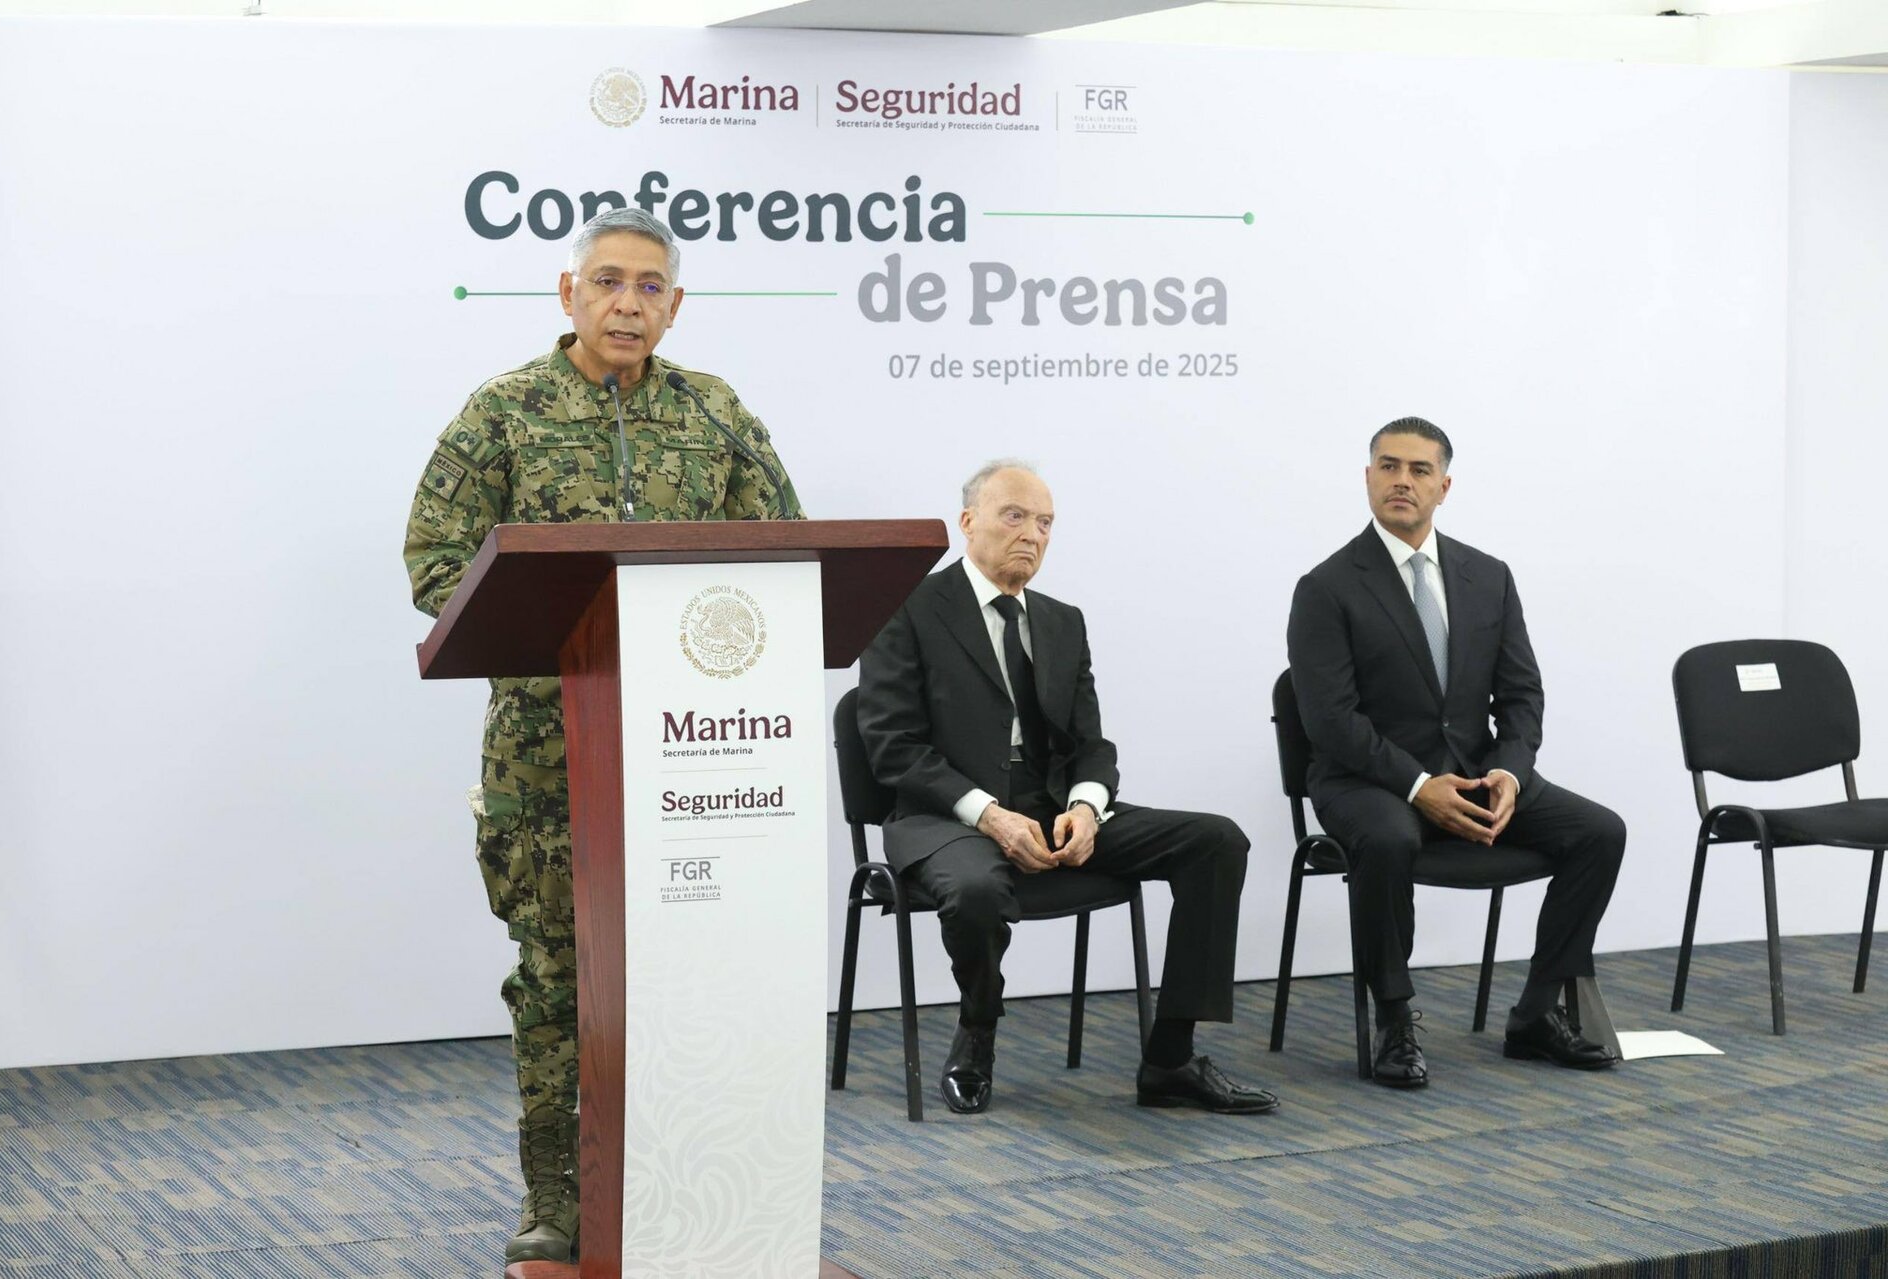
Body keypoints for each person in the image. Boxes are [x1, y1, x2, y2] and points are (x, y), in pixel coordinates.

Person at [402, 208, 801, 1265]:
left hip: (696, 751)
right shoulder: (504, 412)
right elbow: (436, 564)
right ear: (568, 292)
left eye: (650, 287)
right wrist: (556, 628)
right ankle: (554, 1195)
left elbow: (785, 548)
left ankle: (688, 1177)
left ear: (676, 306)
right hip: (548, 756)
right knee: (555, 976)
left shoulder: (714, 414)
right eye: (610, 281)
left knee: (691, 972)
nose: (629, 303)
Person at [857, 460, 1275, 1117]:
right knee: (975, 889)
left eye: (1045, 523)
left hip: (1050, 804)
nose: (1032, 534)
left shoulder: (1062, 621)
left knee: (1216, 841)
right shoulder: (906, 608)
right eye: (1014, 516)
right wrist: (990, 815)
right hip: (944, 813)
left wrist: (1086, 805)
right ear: (968, 522)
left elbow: (1091, 743)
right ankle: (977, 1030)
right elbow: (893, 746)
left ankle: (1170, 1057)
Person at [1285, 417, 1624, 1089]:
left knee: (1599, 832)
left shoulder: (1488, 576)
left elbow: (1522, 695)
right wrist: (1418, 785)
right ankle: (1394, 1018)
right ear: (1367, 478)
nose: (1401, 481)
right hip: (1367, 780)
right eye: (1388, 466)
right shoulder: (1326, 587)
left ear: (1443, 486)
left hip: (1473, 773)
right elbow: (1330, 722)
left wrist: (1509, 774)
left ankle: (1535, 1012)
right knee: (1387, 840)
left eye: (1418, 470)